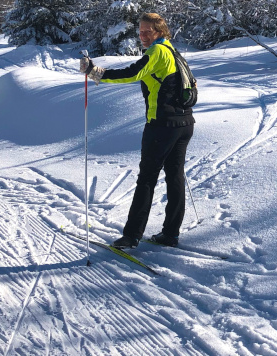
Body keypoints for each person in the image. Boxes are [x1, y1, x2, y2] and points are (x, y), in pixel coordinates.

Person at [80, 13, 194, 248]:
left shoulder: (157, 51)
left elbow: (133, 73)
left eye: (147, 32)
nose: (142, 36)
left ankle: (131, 236)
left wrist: (95, 72)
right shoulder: (172, 50)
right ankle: (170, 233)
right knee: (174, 176)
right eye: (140, 32)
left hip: (162, 125)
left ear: (159, 31)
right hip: (183, 124)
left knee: (147, 179)